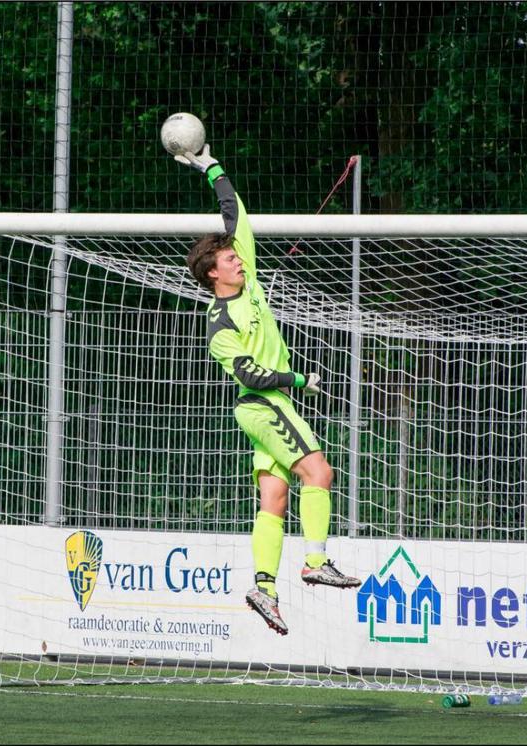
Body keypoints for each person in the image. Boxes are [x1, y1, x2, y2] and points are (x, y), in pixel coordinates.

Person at [176, 144, 360, 636]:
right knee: (319, 471)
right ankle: (316, 560)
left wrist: (210, 164)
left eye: (237, 255)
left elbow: (234, 210)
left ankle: (264, 588)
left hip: (265, 407)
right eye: (229, 259)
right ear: (211, 272)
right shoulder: (218, 325)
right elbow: (252, 376)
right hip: (263, 403)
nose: (238, 260)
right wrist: (299, 379)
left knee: (274, 500)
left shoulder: (250, 277)